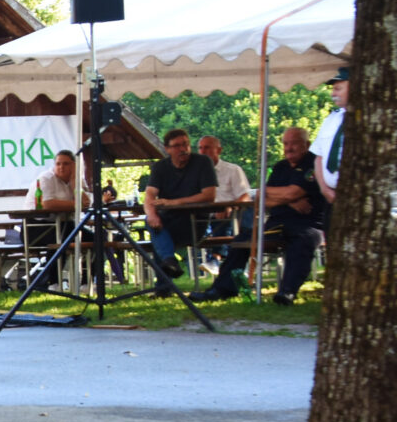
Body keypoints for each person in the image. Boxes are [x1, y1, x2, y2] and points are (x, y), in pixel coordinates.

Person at [207, 125, 328, 304]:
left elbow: (292, 192)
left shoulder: (314, 164)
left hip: (308, 223)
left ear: (307, 144)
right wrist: (289, 199)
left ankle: (287, 292)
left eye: (294, 143)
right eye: (286, 143)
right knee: (241, 240)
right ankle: (221, 289)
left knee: (303, 241)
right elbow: (262, 198)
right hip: (276, 223)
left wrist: (282, 195)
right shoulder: (280, 167)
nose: (289, 148)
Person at [141, 129, 217, 295]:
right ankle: (169, 263)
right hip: (169, 221)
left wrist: (174, 202)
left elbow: (209, 195)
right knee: (154, 224)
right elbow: (149, 194)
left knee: (159, 237)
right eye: (177, 146)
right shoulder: (160, 167)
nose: (183, 149)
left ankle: (164, 282)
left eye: (186, 144)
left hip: (195, 221)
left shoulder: (203, 162)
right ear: (167, 149)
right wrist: (151, 214)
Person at [197, 135, 253, 266]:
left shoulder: (232, 170)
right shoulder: (195, 174)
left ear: (219, 150)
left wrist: (230, 207)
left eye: (207, 147)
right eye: (200, 148)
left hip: (230, 216)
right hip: (202, 217)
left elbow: (245, 196)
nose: (203, 151)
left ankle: (215, 259)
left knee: (223, 218)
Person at [311, 66, 347, 202]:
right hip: (330, 196)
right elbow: (318, 157)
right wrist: (324, 189)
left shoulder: (367, 120)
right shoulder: (331, 119)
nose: (333, 94)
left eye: (338, 89)